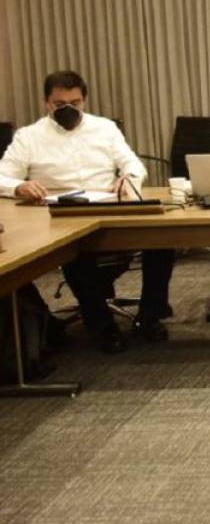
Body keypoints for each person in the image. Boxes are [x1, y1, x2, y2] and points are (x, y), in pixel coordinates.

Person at [0, 70, 174, 354]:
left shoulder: (105, 128)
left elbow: (133, 165)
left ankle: (150, 315)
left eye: (75, 102)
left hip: (107, 207)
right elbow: (1, 176)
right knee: (76, 256)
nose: (68, 109)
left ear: (84, 100)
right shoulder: (29, 137)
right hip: (57, 215)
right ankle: (102, 326)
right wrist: (19, 186)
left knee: (163, 240)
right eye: (59, 104)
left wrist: (128, 178)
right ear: (46, 103)